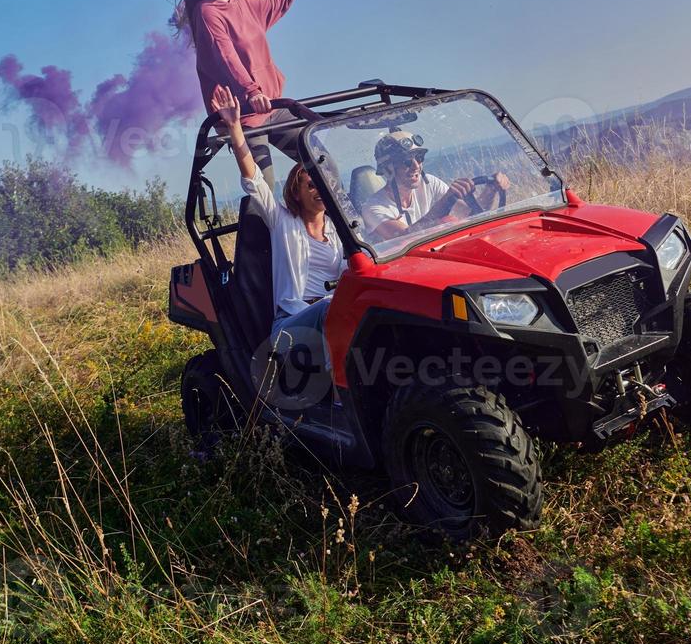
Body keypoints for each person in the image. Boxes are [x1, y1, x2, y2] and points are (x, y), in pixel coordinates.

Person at [211, 83, 340, 407]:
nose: (317, 190)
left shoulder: (339, 229)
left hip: (336, 308)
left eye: (321, 184)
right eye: (309, 185)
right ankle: (341, 403)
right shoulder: (282, 221)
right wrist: (236, 128)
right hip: (293, 325)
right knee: (329, 311)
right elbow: (253, 178)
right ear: (296, 192)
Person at [174, 0, 310, 186]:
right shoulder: (207, 13)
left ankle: (331, 222)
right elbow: (226, 57)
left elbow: (274, 2)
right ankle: (257, 225)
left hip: (273, 106)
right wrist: (252, 90)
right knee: (263, 187)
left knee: (320, 162)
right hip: (243, 117)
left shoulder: (242, 1)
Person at [362, 131, 510, 241]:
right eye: (406, 161)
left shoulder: (429, 183)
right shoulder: (374, 207)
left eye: (419, 158)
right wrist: (445, 202)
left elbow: (470, 214)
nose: (416, 166)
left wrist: (491, 190)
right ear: (388, 168)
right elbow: (403, 238)